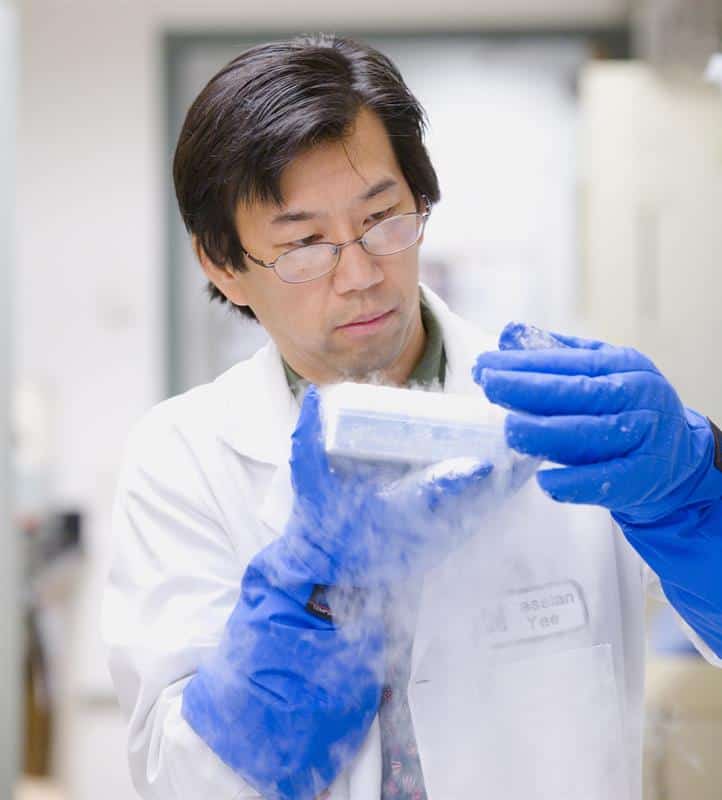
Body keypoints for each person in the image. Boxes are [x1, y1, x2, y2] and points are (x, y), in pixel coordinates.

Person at [102, 34, 722, 800]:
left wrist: (697, 494)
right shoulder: (183, 461)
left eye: (383, 218)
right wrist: (318, 591)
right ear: (223, 265)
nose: (361, 274)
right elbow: (186, 783)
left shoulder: (559, 412)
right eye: (304, 244)